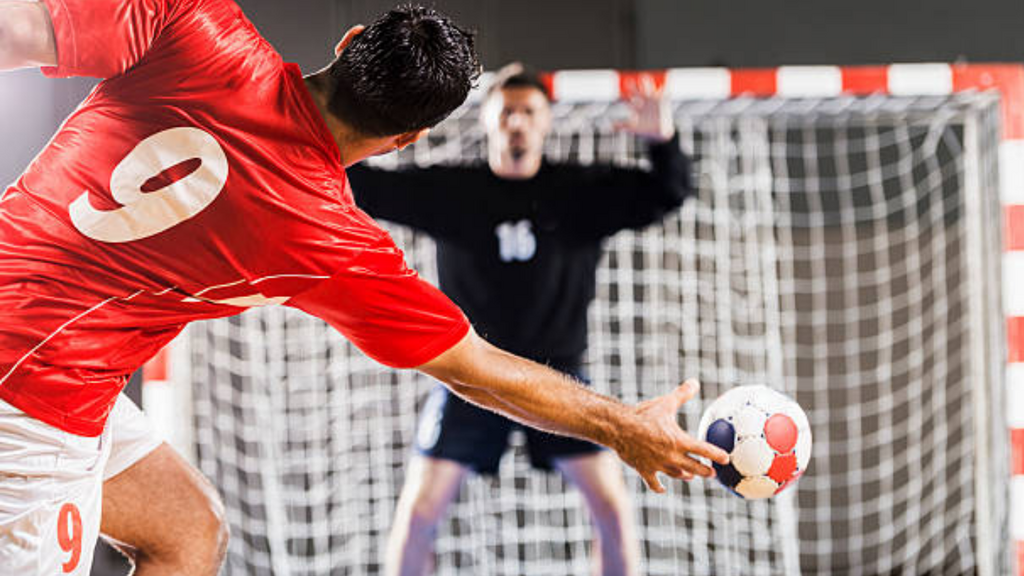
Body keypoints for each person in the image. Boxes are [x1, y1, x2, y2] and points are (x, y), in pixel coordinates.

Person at [0, 1, 728, 574]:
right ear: (407, 139)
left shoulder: (196, 22)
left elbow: (16, 27)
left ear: (348, 41)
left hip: (54, 375)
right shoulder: (326, 237)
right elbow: (474, 370)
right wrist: (625, 426)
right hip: (33, 404)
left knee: (190, 533)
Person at [348, 62, 690, 576]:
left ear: (546, 122)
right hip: (470, 374)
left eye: (529, 112)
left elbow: (667, 193)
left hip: (561, 379)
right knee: (419, 513)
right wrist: (345, 123)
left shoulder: (579, 194)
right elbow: (362, 187)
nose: (517, 122)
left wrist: (662, 141)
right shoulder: (451, 191)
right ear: (486, 119)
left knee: (613, 509)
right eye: (506, 111)